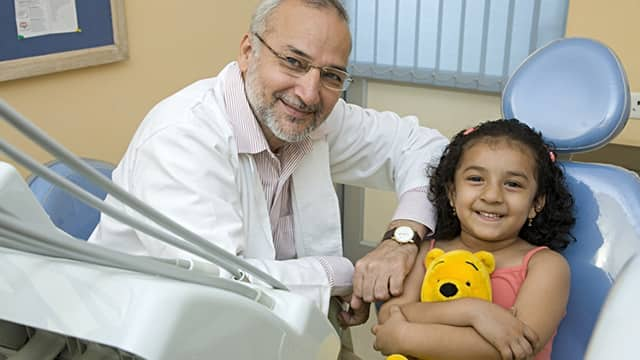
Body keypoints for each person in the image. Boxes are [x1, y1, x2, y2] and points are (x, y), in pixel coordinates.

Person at [88, 0, 447, 328]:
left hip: (280, 329)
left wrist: (401, 238)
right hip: (155, 333)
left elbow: (429, 148)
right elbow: (219, 287)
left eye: (331, 76)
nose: (308, 93)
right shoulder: (182, 138)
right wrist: (342, 273)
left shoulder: (316, 119)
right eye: (293, 61)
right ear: (248, 52)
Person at [373, 119, 575, 360]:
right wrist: (473, 311)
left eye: (513, 184)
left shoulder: (546, 266)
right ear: (452, 192)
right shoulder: (426, 251)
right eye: (476, 179)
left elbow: (519, 347)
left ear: (536, 204)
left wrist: (406, 336)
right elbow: (390, 316)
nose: (492, 195)